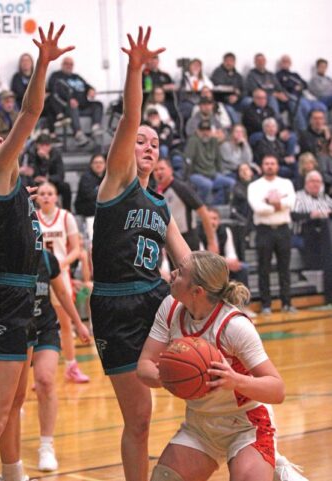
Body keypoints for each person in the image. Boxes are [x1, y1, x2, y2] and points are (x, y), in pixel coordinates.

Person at [90, 27, 191, 481]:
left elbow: (185, 258)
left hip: (155, 298)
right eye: (141, 140)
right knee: (140, 417)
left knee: (212, 362)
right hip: (115, 304)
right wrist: (136, 70)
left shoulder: (160, 203)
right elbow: (131, 119)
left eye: (155, 143)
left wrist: (211, 286)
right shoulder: (116, 183)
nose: (147, 145)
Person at [0, 23, 74, 481]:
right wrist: (44, 63)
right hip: (5, 293)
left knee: (16, 403)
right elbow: (32, 110)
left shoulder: (14, 186)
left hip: (25, 298)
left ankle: (14, 473)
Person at [137, 251, 305, 481]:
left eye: (181, 272)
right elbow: (144, 365)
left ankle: (270, 468)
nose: (173, 273)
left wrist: (235, 380)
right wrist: (167, 376)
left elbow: (277, 390)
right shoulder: (170, 308)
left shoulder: (234, 326)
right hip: (200, 426)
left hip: (247, 426)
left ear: (197, 291)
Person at [32, 249, 90, 471]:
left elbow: (63, 294)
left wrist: (78, 323)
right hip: (14, 330)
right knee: (13, 400)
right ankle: (11, 462)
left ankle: (46, 445)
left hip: (44, 328)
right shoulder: (4, 253)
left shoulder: (46, 258)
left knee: (45, 380)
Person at [37, 181, 90, 383]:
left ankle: (71, 366)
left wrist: (59, 265)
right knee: (35, 324)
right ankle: (37, 370)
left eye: (50, 193)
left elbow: (76, 249)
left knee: (66, 323)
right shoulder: (33, 218)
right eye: (42, 193)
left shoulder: (66, 217)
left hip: (60, 275)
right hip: (39, 276)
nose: (46, 196)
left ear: (56, 196)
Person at [248, 155, 296, 314]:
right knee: (264, 269)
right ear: (262, 166)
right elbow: (257, 208)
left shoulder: (286, 183)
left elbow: (292, 203)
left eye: (272, 163)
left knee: (285, 268)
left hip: (283, 229)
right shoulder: (254, 185)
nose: (269, 166)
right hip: (264, 230)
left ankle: (287, 303)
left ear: (277, 166)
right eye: (267, 163)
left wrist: (270, 203)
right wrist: (278, 206)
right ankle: (266, 305)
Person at [154, 158, 218, 253]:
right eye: (155, 170)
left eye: (162, 168)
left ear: (171, 170)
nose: (158, 172)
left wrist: (212, 242)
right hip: (169, 241)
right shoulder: (155, 192)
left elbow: (203, 212)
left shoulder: (181, 188)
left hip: (188, 239)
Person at [292, 170, 332, 304]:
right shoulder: (298, 197)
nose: (316, 184)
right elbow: (293, 216)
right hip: (301, 234)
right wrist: (311, 215)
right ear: (306, 183)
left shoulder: (325, 198)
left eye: (318, 182)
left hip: (324, 235)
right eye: (312, 181)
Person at [46, 56, 104, 146]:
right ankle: (78, 133)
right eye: (66, 63)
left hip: (83, 106)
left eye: (71, 64)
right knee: (73, 105)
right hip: (67, 107)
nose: (69, 66)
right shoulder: (56, 76)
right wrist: (69, 99)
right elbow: (54, 91)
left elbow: (87, 85)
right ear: (62, 65)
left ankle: (95, 127)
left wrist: (91, 90)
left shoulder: (76, 77)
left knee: (98, 104)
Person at [185, 119, 236, 205]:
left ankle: (218, 206)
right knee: (207, 185)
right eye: (202, 130)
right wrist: (187, 176)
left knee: (231, 183)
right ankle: (200, 207)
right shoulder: (193, 140)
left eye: (207, 130)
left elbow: (218, 160)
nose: (205, 133)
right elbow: (188, 160)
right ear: (197, 131)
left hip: (212, 174)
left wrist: (220, 173)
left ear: (211, 131)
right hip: (197, 174)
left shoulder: (213, 141)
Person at [21, 133, 72, 210]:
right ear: (37, 145)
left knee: (65, 186)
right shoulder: (31, 153)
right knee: (29, 186)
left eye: (47, 145)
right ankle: (31, 213)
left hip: (52, 181)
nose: (44, 148)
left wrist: (47, 178)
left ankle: (67, 211)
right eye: (42, 145)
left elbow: (60, 175)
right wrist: (42, 160)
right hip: (36, 183)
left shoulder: (56, 154)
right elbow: (32, 173)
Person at [276, 55, 327, 131]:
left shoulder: (295, 75)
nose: (286, 63)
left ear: (290, 63)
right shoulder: (278, 75)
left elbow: (305, 84)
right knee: (306, 107)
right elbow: (280, 87)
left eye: (288, 61)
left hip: (303, 96)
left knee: (321, 106)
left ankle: (323, 129)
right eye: (284, 61)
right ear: (280, 63)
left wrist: (300, 86)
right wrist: (294, 86)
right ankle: (305, 130)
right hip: (292, 98)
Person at [74, 153, 106, 240]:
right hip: (86, 208)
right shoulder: (86, 177)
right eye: (96, 162)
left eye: (101, 162)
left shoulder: (108, 176)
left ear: (105, 164)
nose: (98, 165)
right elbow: (88, 195)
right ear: (91, 165)